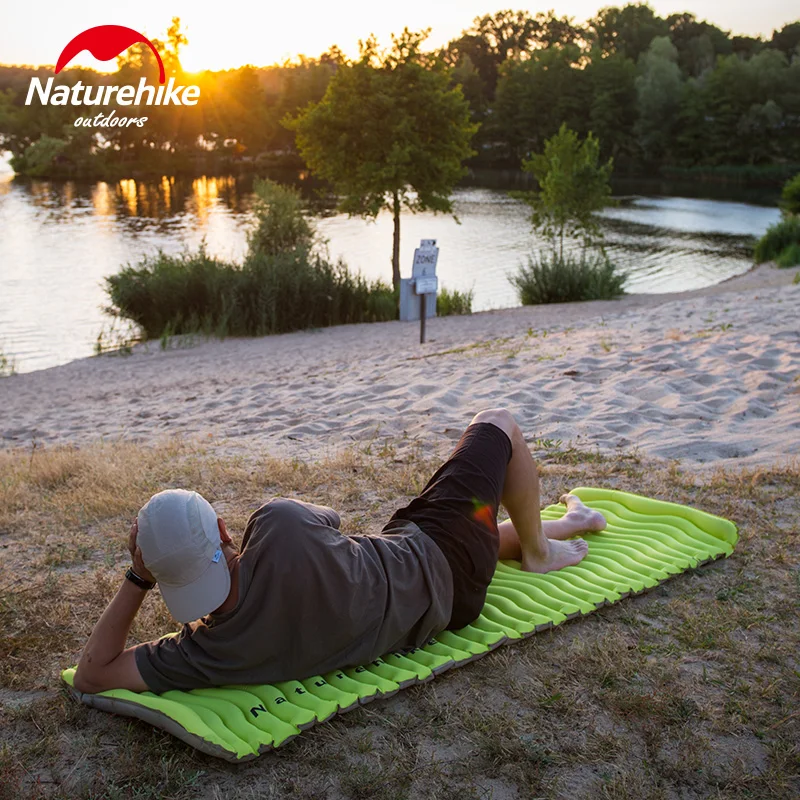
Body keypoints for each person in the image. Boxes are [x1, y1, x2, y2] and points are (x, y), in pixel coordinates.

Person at [73, 408, 605, 695]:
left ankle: (560, 524)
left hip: (449, 603)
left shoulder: (208, 653)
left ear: (162, 579)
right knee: (498, 424)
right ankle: (538, 550)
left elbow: (93, 674)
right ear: (223, 530)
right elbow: (332, 525)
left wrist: (136, 579)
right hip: (437, 557)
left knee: (444, 537)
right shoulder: (278, 526)